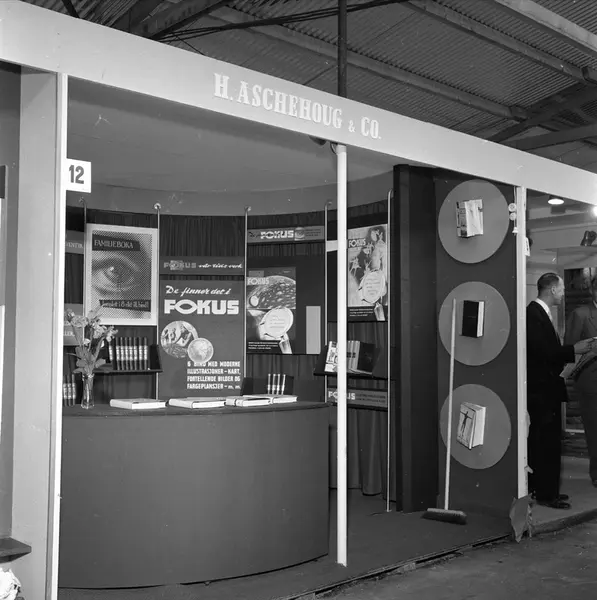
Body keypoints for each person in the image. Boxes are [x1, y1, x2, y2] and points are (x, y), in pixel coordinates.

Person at [527, 273, 595, 509]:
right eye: (562, 288)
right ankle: (546, 494)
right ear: (552, 289)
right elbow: (543, 352)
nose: (565, 292)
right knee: (546, 443)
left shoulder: (541, 314)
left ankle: (544, 489)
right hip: (542, 392)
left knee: (545, 442)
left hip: (547, 390)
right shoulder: (534, 314)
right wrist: (574, 350)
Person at [564, 276, 597, 488]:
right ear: (593, 291)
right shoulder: (580, 314)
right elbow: (569, 349)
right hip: (591, 382)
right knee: (595, 430)